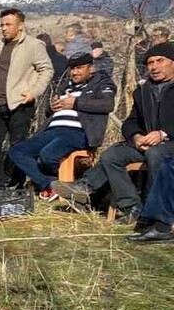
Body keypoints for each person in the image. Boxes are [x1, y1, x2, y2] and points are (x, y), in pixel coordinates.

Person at [58, 42, 174, 226]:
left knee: (156, 154)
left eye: (160, 61)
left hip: (168, 144)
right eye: (150, 62)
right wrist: (136, 136)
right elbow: (131, 121)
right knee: (112, 155)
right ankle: (132, 208)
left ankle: (155, 214)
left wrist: (163, 134)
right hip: (147, 143)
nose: (154, 66)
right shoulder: (143, 91)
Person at [10, 52, 116, 199]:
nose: (75, 72)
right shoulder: (66, 85)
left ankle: (58, 184)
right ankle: (50, 184)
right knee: (17, 151)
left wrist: (76, 103)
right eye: (72, 69)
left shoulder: (102, 83)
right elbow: (51, 110)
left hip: (77, 132)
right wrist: (51, 108)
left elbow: (107, 104)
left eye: (79, 68)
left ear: (91, 68)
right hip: (52, 130)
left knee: (47, 156)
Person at [0, 8, 52, 188]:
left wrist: (34, 92)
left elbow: (46, 69)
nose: (4, 28)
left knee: (18, 146)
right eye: (2, 25)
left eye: (8, 24)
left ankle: (16, 184)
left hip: (19, 102)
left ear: (20, 26)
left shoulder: (33, 45)